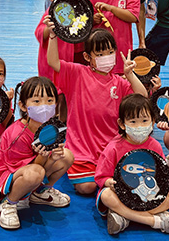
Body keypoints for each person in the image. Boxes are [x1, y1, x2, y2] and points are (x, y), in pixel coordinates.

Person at [46, 26, 147, 195]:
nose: (105, 57)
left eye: (109, 52)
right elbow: (53, 62)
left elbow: (142, 98)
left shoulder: (119, 82)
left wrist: (130, 75)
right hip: (82, 148)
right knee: (88, 187)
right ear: (87, 57)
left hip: (111, 147)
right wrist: (53, 36)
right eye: (99, 54)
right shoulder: (77, 73)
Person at [94, 94, 169, 235]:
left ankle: (125, 217)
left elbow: (160, 174)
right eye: (133, 122)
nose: (139, 126)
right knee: (106, 196)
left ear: (153, 122)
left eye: (144, 120)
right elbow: (101, 177)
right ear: (122, 124)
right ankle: (157, 221)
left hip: (147, 195)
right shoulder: (114, 147)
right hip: (123, 195)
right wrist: (110, 182)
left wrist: (167, 184)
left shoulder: (155, 146)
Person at [0, 76, 74, 230]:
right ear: (23, 105)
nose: (44, 106)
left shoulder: (51, 128)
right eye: (36, 101)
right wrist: (44, 156)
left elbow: (40, 166)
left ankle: (39, 192)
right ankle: (8, 202)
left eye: (50, 101)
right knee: (35, 173)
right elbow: (28, 169)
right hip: (9, 176)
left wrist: (53, 157)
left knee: (66, 156)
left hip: (34, 170)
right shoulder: (17, 135)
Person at [87, 0, 141, 75]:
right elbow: (86, 21)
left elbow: (132, 16)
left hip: (122, 51)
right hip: (99, 53)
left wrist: (110, 8)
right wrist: (93, 19)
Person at [35, 0, 76, 83]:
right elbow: (39, 32)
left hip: (66, 60)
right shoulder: (50, 12)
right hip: (49, 62)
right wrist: (49, 29)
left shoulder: (73, 13)